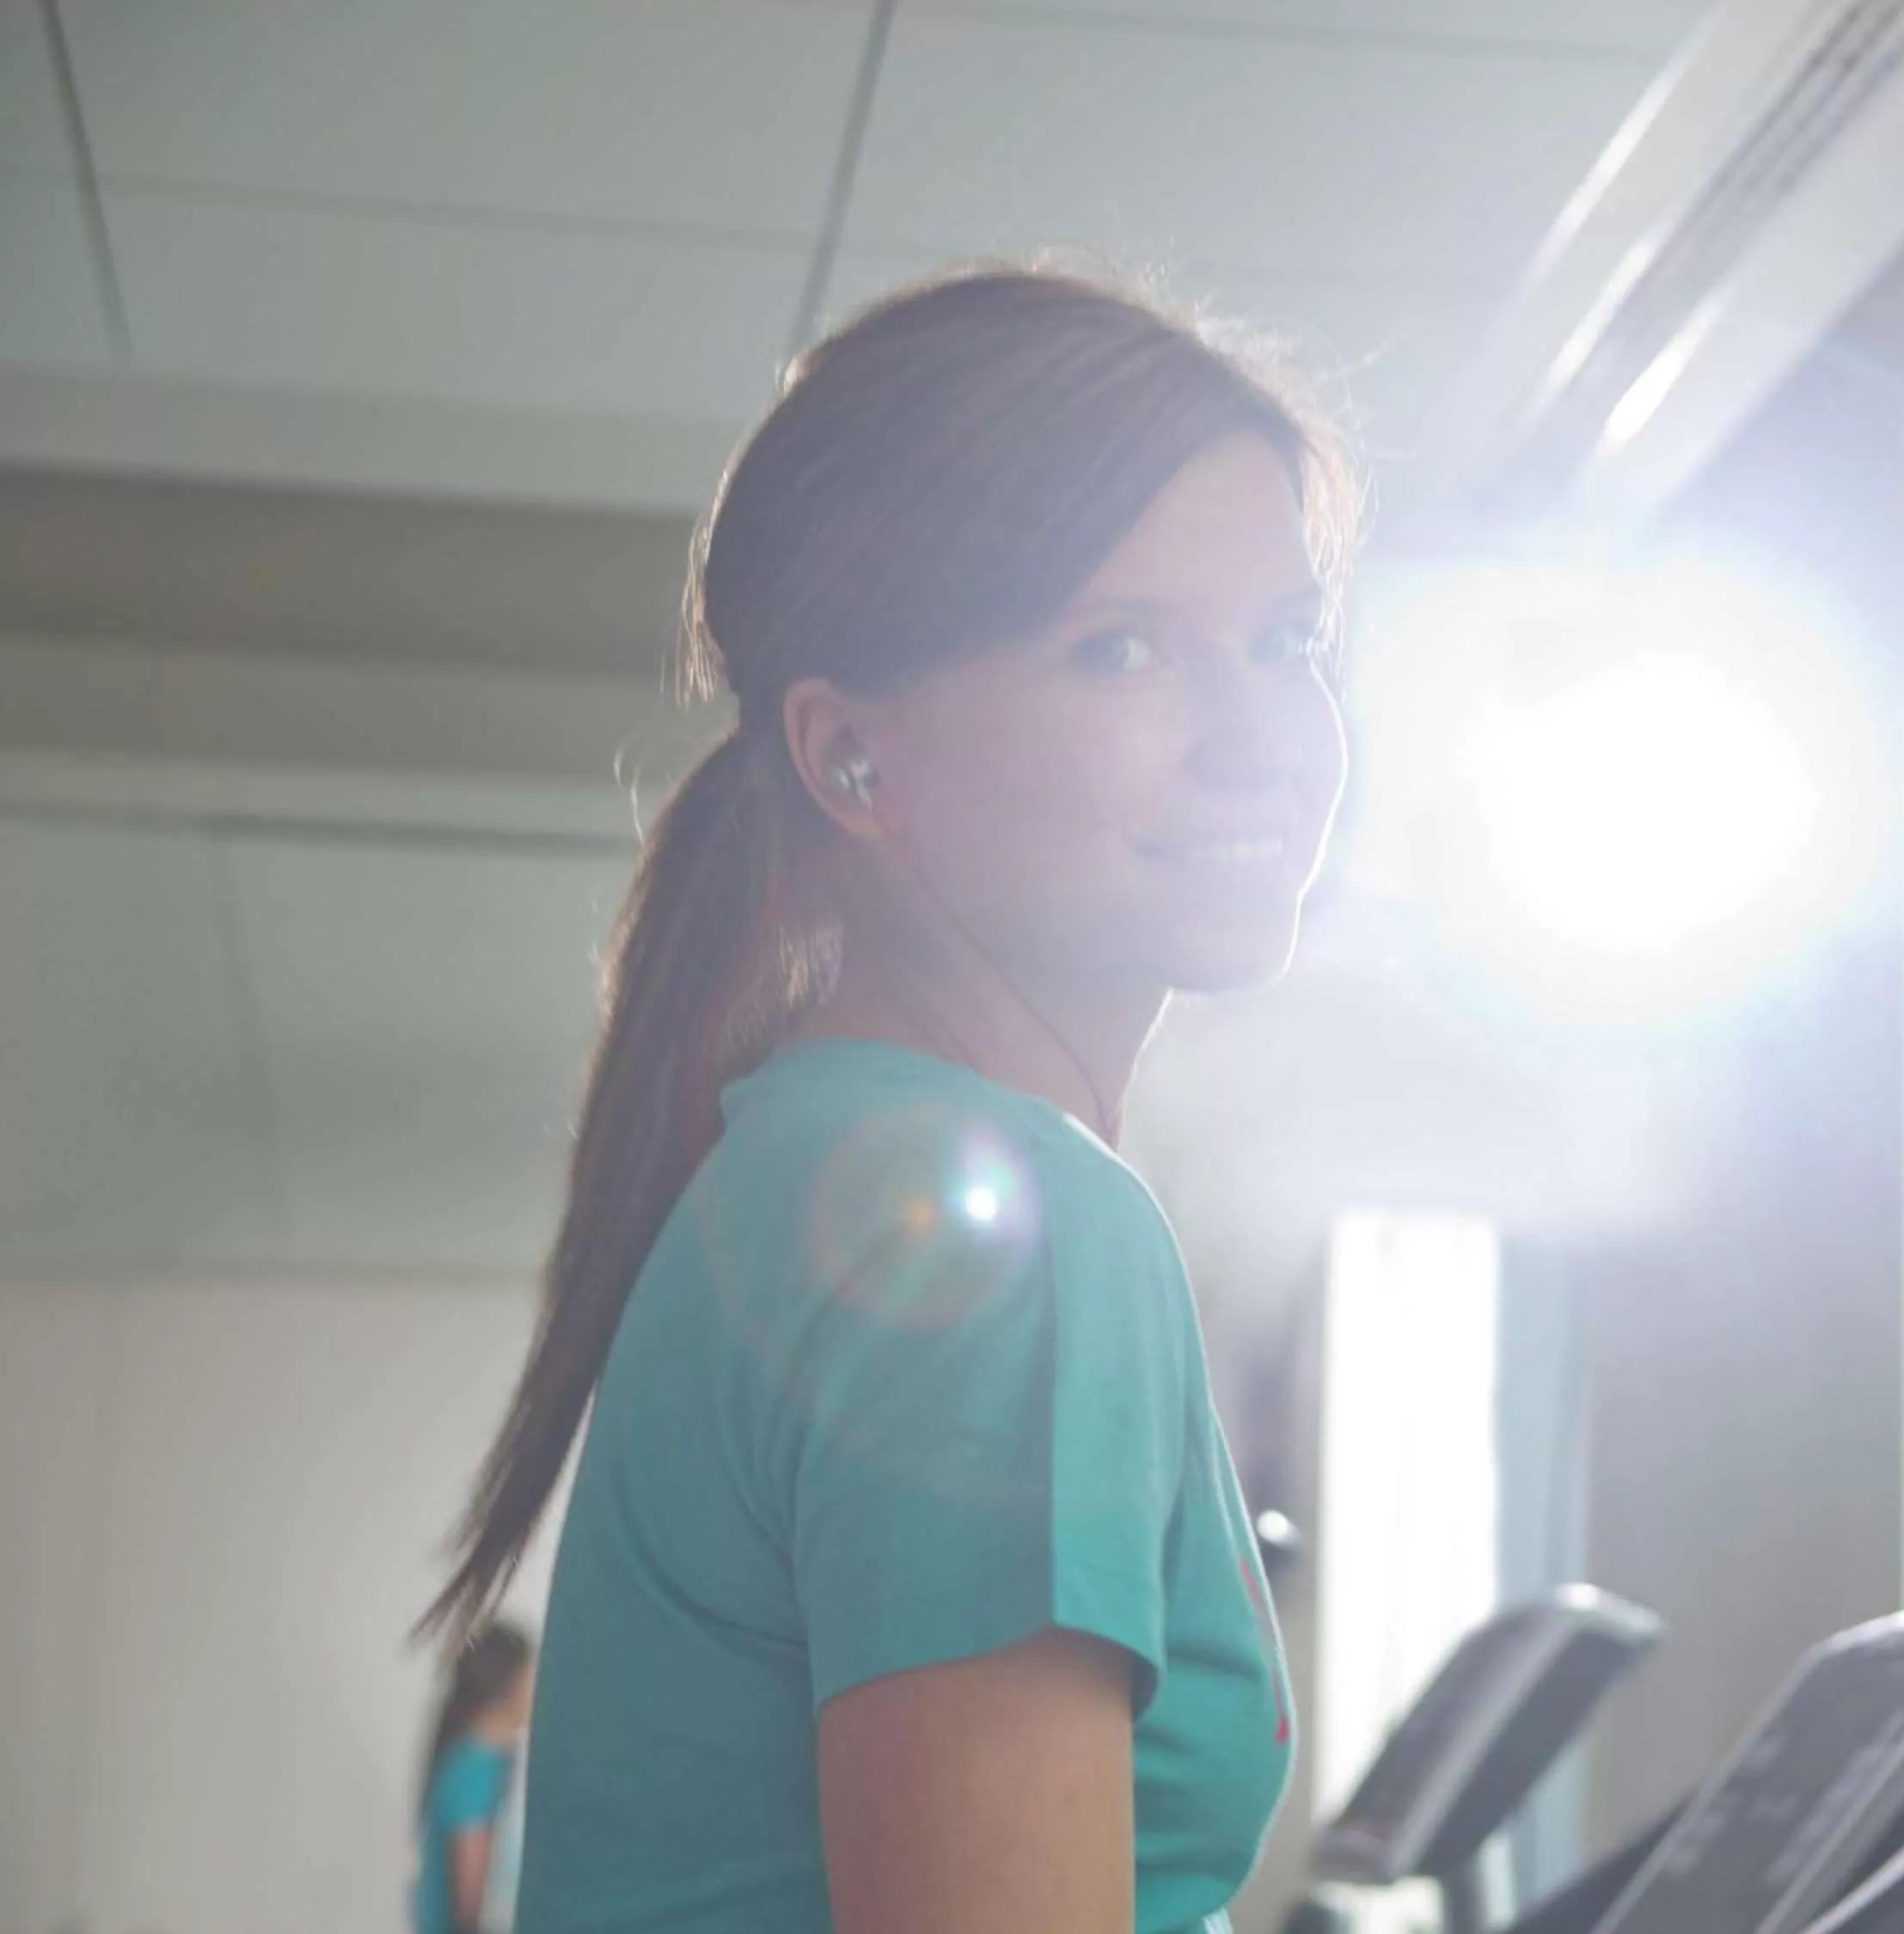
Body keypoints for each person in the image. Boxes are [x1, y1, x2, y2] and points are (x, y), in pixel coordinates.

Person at [420, 264, 1358, 1934]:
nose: (1261, 738)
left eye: (1285, 640)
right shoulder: (992, 1222)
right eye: (1123, 648)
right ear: (854, 755)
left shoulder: (812, 1167)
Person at [413, 1621, 536, 1934]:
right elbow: (471, 1902)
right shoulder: (475, 1768)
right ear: (509, 1685)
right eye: (530, 1676)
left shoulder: (486, 1761)